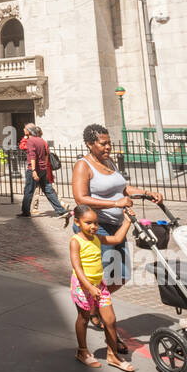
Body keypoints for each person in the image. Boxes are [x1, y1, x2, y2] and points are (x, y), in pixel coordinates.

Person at [71, 123, 161, 348]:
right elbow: (80, 198)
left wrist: (147, 193)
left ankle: (92, 305)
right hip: (96, 229)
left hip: (117, 226)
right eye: (103, 143)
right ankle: (104, 321)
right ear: (90, 144)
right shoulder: (83, 166)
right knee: (102, 279)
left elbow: (123, 188)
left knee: (120, 276)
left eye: (109, 142)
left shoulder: (108, 162)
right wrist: (114, 203)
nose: (108, 147)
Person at [69, 204, 136, 372]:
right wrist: (89, 287)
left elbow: (117, 239)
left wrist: (127, 221)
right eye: (88, 223)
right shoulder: (75, 242)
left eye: (96, 223)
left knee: (110, 320)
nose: (93, 227)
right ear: (77, 222)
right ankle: (82, 351)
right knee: (83, 319)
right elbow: (77, 268)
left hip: (99, 286)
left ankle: (113, 355)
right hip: (82, 287)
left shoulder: (97, 238)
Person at [20, 124, 65, 217]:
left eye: (25, 128)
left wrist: (33, 170)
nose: (23, 129)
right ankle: (61, 210)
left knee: (28, 191)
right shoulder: (41, 140)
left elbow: (32, 156)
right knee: (48, 190)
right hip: (43, 169)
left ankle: (25, 212)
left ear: (28, 131)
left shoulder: (30, 140)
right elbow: (46, 154)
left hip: (34, 169)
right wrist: (44, 166)